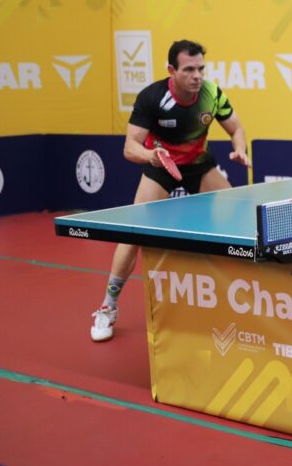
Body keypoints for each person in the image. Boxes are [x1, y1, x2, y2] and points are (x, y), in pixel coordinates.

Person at [90, 39, 249, 342]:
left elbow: (236, 128)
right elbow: (129, 146)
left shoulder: (211, 94)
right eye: (189, 69)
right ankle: (107, 306)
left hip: (199, 167)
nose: (197, 75)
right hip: (160, 167)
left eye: (201, 68)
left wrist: (239, 149)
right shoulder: (152, 98)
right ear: (171, 70)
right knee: (131, 234)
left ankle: (236, 304)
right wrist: (151, 156)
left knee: (239, 220)